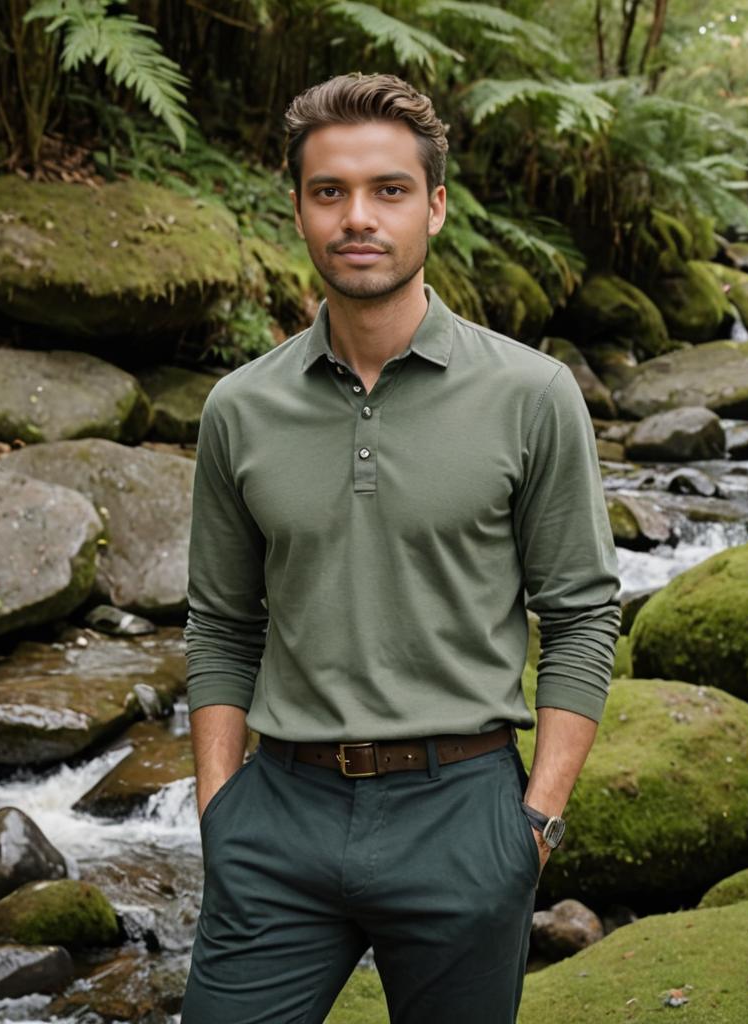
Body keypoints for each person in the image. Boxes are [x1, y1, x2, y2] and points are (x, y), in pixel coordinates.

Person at [180, 72, 620, 1024]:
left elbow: (582, 616)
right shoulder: (240, 409)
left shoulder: (533, 396)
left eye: (388, 190)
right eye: (329, 191)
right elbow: (220, 623)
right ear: (297, 208)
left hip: (463, 810)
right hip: (279, 816)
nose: (357, 218)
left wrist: (534, 823)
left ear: (437, 206)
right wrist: (221, 812)